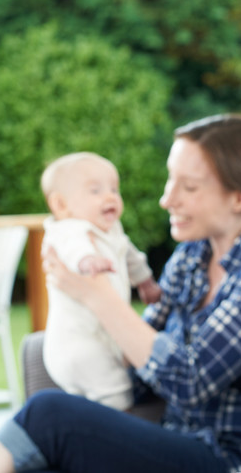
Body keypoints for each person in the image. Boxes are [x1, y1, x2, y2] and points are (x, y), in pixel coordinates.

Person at [0, 114, 241, 472]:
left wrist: (97, 296)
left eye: (188, 187)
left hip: (237, 460)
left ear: (238, 198)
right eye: (170, 179)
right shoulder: (194, 255)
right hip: (175, 439)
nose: (166, 199)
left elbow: (192, 381)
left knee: (47, 414)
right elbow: (141, 360)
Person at [40, 152, 161, 411]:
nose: (110, 197)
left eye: (114, 189)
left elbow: (131, 257)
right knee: (117, 396)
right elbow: (73, 249)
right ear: (61, 205)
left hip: (101, 337)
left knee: (93, 399)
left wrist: (145, 282)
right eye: (95, 191)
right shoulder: (67, 230)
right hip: (77, 343)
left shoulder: (111, 231)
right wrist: (87, 260)